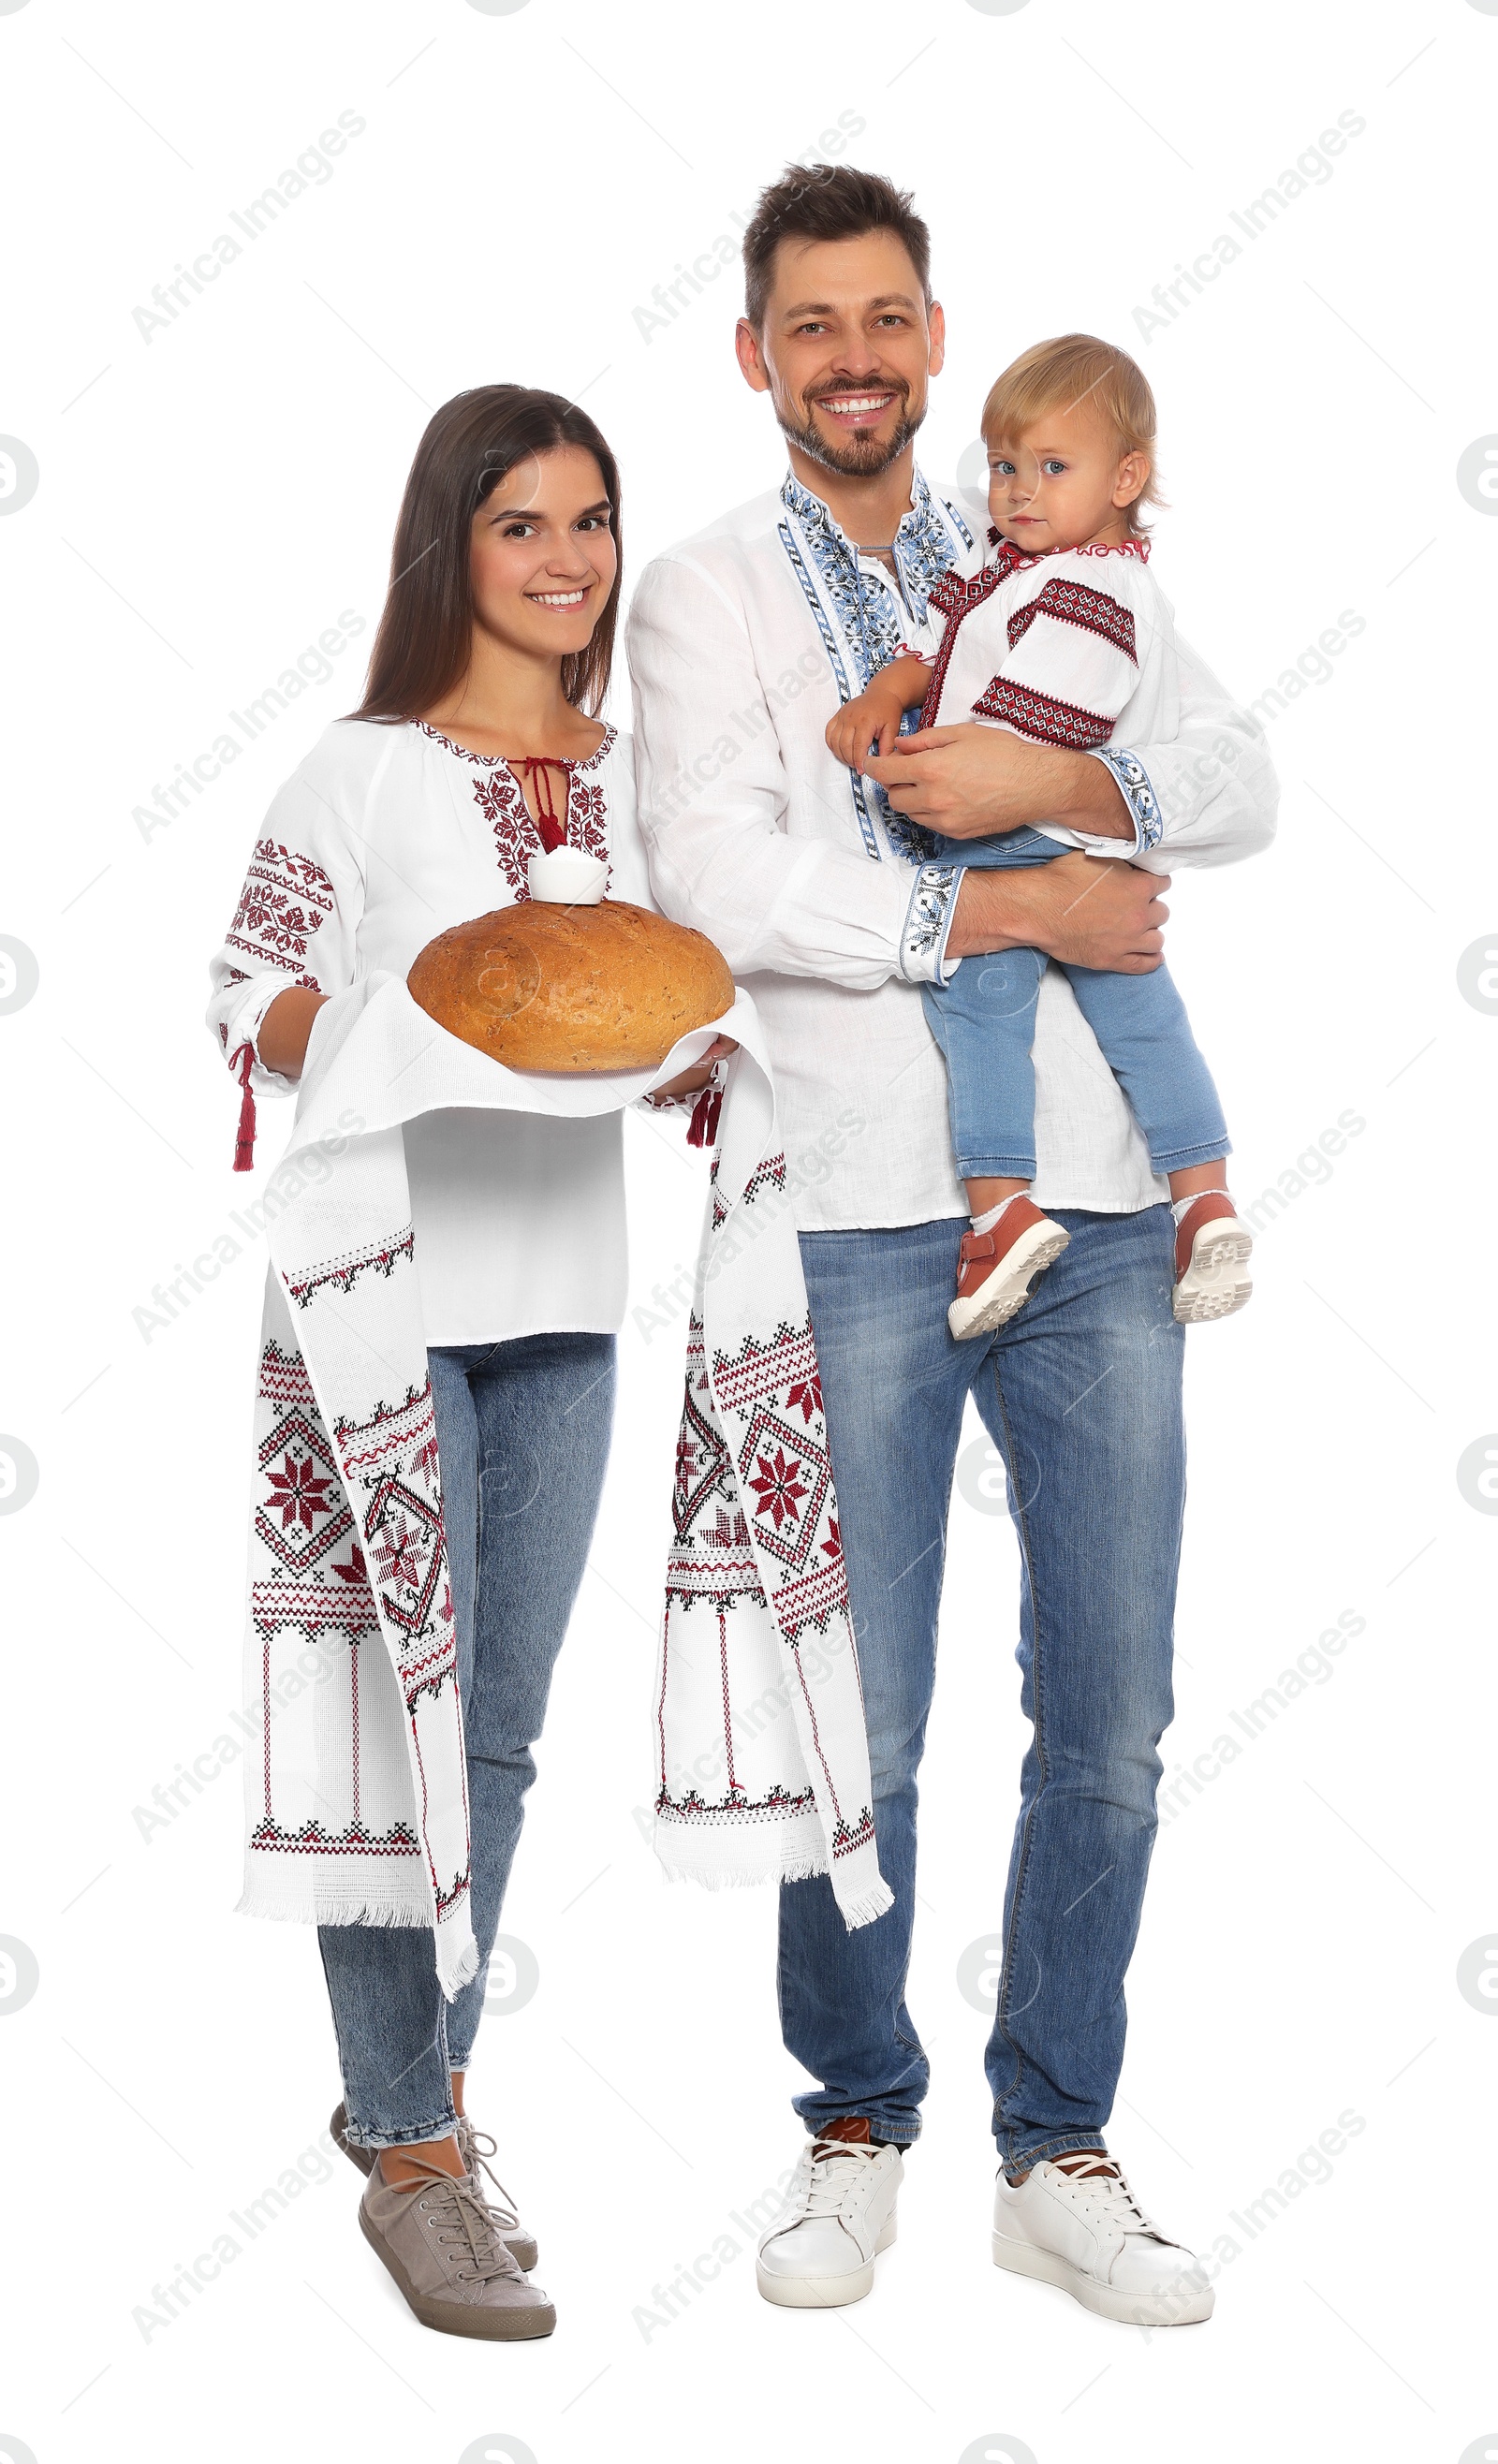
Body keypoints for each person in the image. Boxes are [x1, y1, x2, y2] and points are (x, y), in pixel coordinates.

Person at [628, 164, 1276, 2326]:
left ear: (932, 332)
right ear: (756, 357)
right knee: (863, 1714)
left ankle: (1054, 2140)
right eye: (811, 322)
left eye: (888, 315)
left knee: (1107, 1705)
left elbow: (1235, 770)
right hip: (854, 1210)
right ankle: (852, 2119)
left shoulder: (1058, 543)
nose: (858, 356)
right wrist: (1005, 904)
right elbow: (710, 878)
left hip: (1095, 1215)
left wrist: (1080, 812)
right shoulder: (706, 592)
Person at [206, 385, 725, 2339]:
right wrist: (397, 1037)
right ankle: (416, 2151)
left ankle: (410, 2105)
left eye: (591, 519)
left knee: (493, 1732)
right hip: (379, 1296)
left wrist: (691, 1045)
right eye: (523, 523)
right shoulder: (363, 772)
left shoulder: (632, 780)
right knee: (386, 1730)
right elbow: (239, 994)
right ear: (454, 545)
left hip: (567, 1300)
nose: (569, 558)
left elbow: (677, 985)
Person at [826, 330, 1251, 1341]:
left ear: (1125, 478)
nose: (1016, 490)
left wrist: (933, 753)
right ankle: (1203, 1194)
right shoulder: (1016, 562)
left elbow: (1043, 723)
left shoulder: (1097, 588)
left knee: (976, 1004)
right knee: (1142, 1015)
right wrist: (889, 688)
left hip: (1020, 837)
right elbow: (942, 628)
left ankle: (1000, 1206)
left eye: (1051, 468)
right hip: (1088, 847)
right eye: (1005, 465)